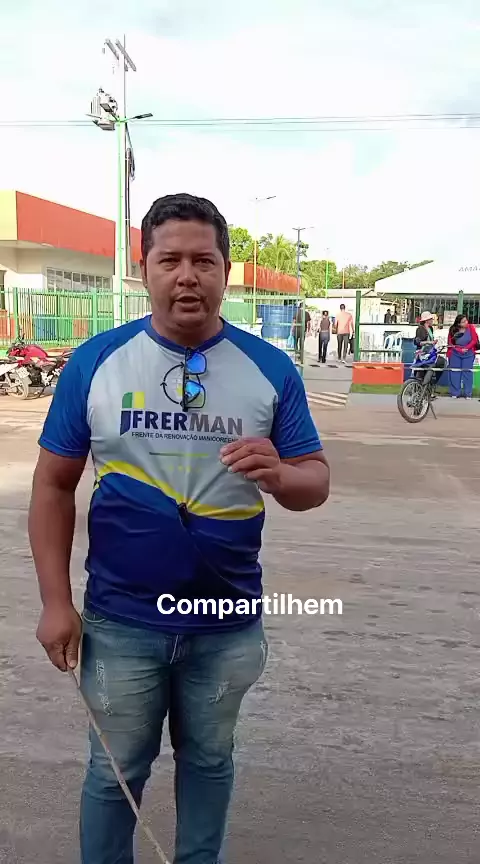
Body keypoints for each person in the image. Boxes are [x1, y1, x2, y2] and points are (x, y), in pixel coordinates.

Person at [28, 193, 330, 864]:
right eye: (170, 261)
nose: (187, 276)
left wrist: (281, 474)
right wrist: (55, 601)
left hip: (225, 623)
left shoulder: (269, 369)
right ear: (144, 270)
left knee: (210, 761)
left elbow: (316, 482)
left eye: (204, 260)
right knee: (114, 772)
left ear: (227, 271)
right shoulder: (97, 363)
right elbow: (52, 486)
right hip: (120, 620)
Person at [447, 313, 478, 399]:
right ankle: (455, 392)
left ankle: (468, 393)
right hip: (455, 353)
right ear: (458, 324)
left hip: (468, 353)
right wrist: (459, 350)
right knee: (455, 372)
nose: (466, 322)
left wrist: (466, 348)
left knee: (467, 373)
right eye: (463, 322)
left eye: (466, 320)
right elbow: (450, 343)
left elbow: (474, 340)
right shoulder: (453, 329)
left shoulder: (471, 327)